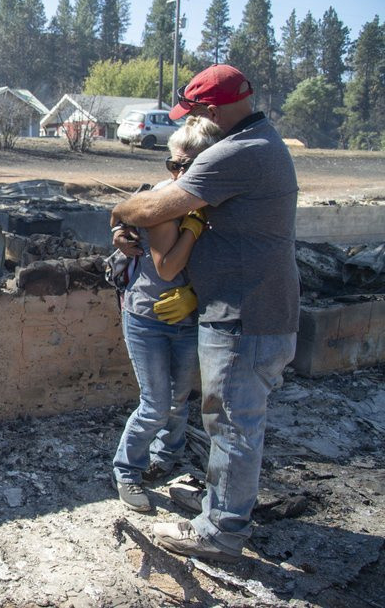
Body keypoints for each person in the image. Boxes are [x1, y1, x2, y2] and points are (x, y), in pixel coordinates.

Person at [110, 64, 299, 563]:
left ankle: (220, 531)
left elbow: (151, 211)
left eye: (193, 113)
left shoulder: (238, 151)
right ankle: (223, 507)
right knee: (225, 421)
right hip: (246, 309)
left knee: (232, 424)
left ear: (211, 111)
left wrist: (122, 212)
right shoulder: (258, 142)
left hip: (245, 316)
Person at [111, 116, 224, 513]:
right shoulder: (165, 199)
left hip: (190, 319)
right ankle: (126, 469)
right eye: (172, 165)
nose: (177, 174)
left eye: (187, 166)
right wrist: (193, 224)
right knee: (156, 402)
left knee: (178, 398)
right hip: (146, 315)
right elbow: (166, 268)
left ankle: (167, 455)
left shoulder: (223, 203)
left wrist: (194, 295)